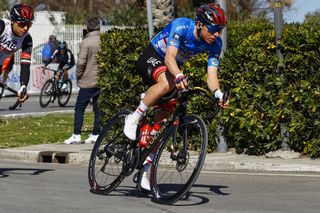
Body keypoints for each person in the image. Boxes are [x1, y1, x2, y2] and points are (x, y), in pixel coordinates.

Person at [123, 3, 229, 191]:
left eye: (220, 30)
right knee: (168, 83)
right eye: (213, 29)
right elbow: (169, 57)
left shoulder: (215, 44)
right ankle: (134, 117)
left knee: (165, 118)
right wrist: (178, 75)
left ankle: (146, 167)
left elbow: (211, 74)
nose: (217, 34)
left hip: (169, 68)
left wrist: (217, 93)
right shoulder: (182, 26)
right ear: (199, 25)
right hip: (153, 56)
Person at [64, 17, 101, 144]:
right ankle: (96, 133)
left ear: (88, 28)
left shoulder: (86, 42)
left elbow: (80, 63)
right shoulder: (104, 40)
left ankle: (76, 134)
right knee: (98, 108)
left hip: (87, 80)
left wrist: (79, 76)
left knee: (80, 107)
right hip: (101, 80)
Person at [0, 3, 34, 102]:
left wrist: (23, 86)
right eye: (22, 24)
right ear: (13, 21)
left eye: (29, 24)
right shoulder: (2, 27)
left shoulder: (27, 39)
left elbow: (25, 65)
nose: (26, 28)